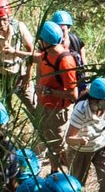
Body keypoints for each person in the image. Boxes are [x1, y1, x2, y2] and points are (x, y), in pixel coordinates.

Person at [64, 75, 105, 192]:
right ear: (95, 100)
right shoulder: (81, 110)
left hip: (101, 147)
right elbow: (69, 138)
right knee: (77, 185)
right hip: (80, 151)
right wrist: (79, 140)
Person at [33, 17, 79, 146]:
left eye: (40, 40)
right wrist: (14, 52)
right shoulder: (49, 53)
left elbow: (73, 95)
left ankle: (59, 160)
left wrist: (49, 91)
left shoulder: (65, 62)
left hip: (58, 111)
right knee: (44, 139)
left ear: (46, 42)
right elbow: (38, 58)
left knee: (57, 145)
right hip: (44, 105)